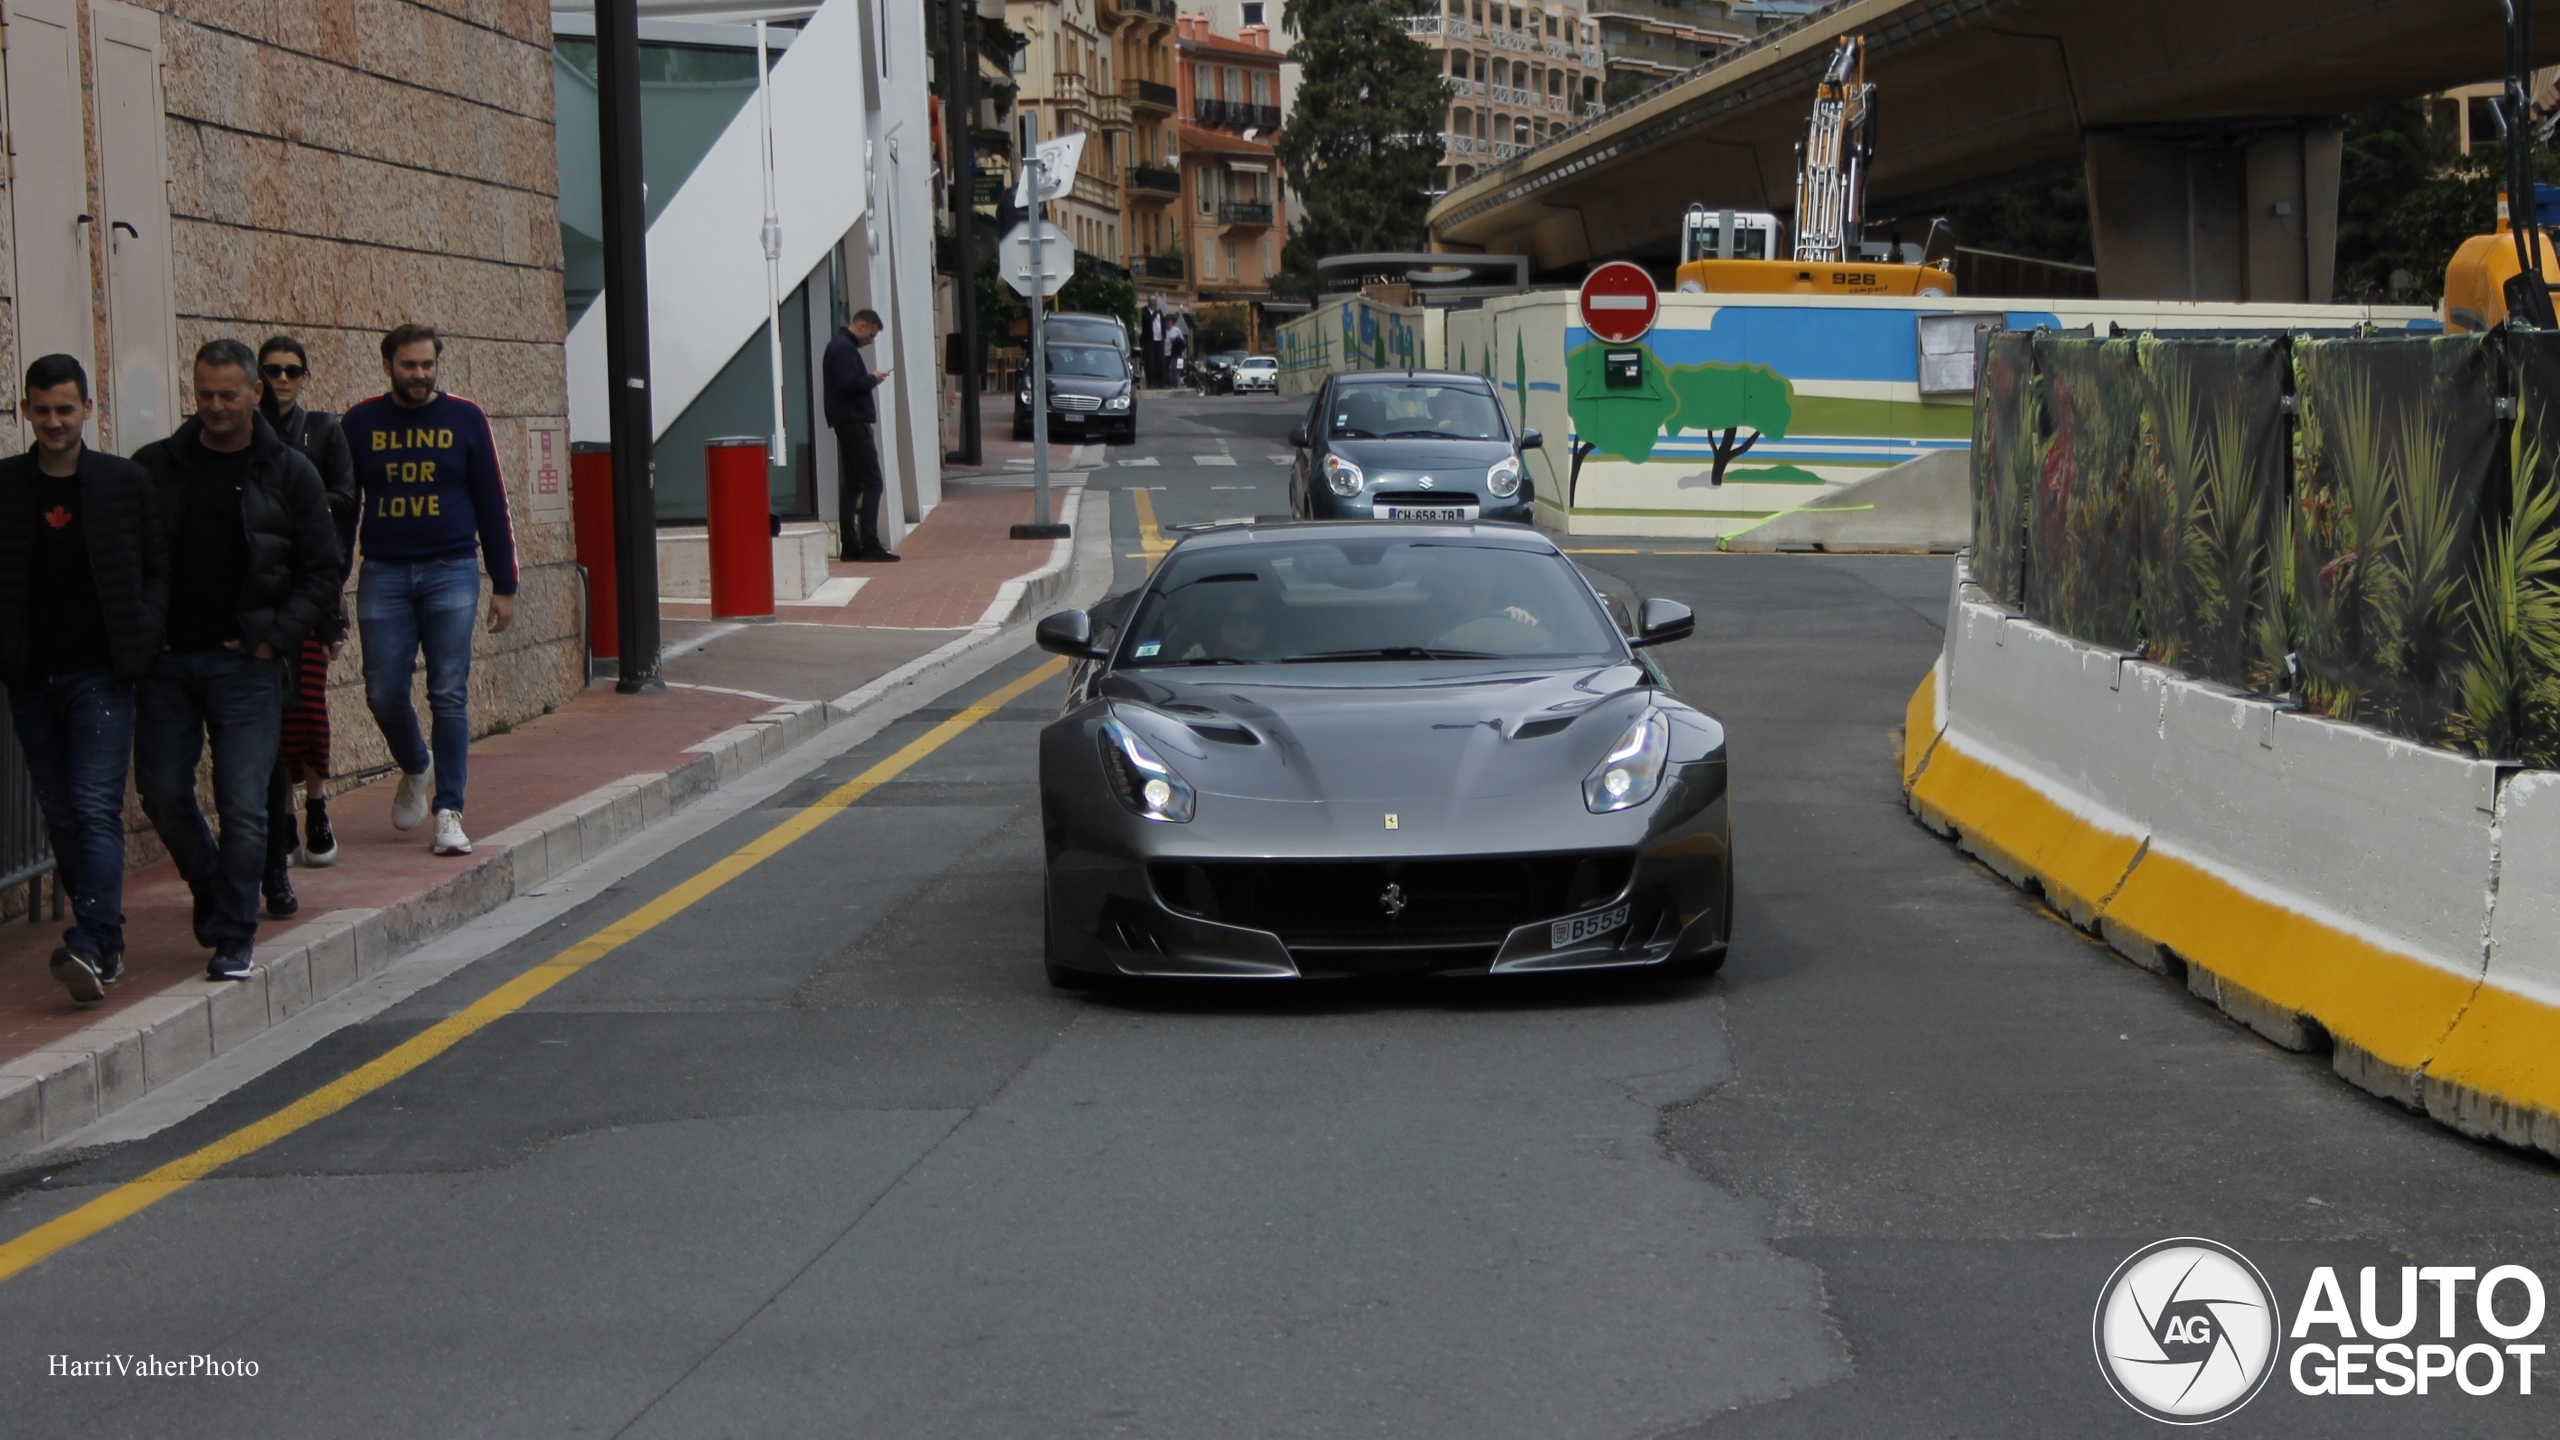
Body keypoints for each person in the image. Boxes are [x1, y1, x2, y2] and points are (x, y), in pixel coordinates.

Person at [132, 340, 341, 982]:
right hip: (167, 664)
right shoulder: (157, 467)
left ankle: (234, 935)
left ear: (257, 393)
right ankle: (214, 888)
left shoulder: (289, 471)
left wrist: (273, 638)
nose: (215, 407)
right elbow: (131, 560)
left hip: (247, 664)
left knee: (245, 803)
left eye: (228, 394)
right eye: (204, 394)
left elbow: (323, 568)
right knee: (162, 793)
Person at [0, 355, 166, 1001]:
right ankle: (105, 940)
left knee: (95, 807)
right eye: (40, 410)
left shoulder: (122, 484)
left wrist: (142, 633)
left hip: (102, 674)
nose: (53, 422)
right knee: (62, 815)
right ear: (25, 410)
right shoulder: (9, 487)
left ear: (88, 410)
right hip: (31, 679)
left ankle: (92, 939)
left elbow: (157, 567)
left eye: (65, 409)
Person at [339, 324, 519, 860]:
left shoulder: (465, 418)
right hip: (385, 574)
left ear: (437, 365)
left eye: (427, 365)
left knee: (448, 693)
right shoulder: (360, 422)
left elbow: (492, 502)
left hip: (452, 570)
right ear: (388, 365)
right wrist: (333, 584)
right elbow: (346, 512)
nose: (419, 375)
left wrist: (504, 582)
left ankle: (449, 812)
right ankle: (417, 763)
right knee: (381, 690)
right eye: (408, 365)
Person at [256, 335, 359, 918]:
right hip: (262, 598)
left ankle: (317, 807)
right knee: (270, 715)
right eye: (271, 370)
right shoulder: (247, 435)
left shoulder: (323, 431)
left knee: (309, 705)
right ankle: (285, 815)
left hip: (313, 597)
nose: (281, 380)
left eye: (292, 370)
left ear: (305, 375)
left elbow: (347, 499)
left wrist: (298, 493)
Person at [822, 308, 899, 562]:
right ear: (862, 326)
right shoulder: (844, 348)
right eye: (872, 335)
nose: (871, 340)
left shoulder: (839, 346)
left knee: (854, 483)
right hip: (853, 421)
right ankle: (869, 544)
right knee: (873, 481)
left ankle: (851, 545)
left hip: (845, 421)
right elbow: (848, 385)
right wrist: (872, 379)